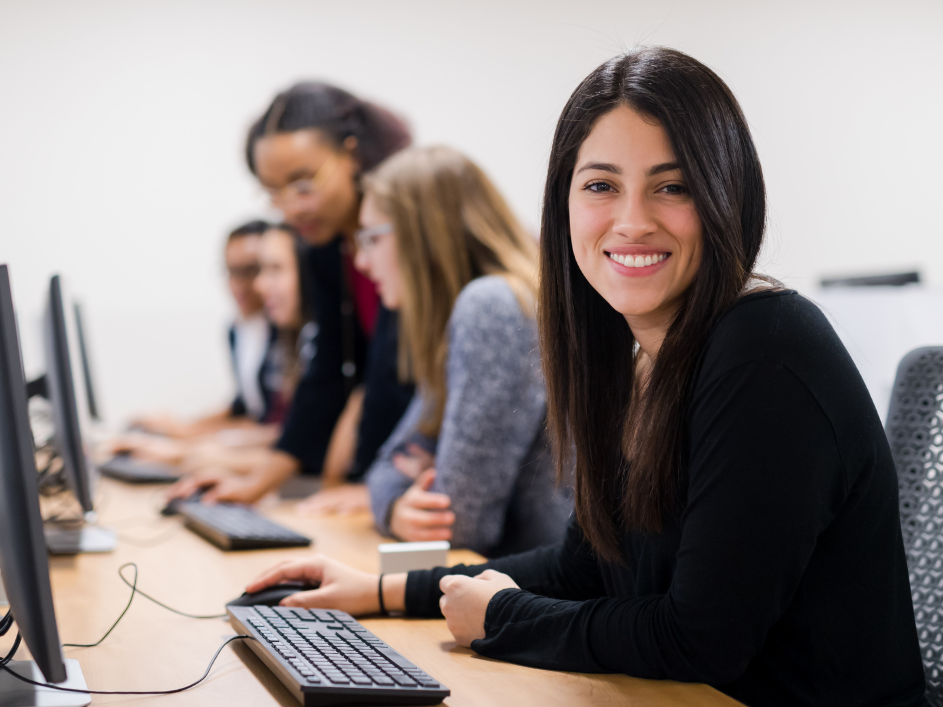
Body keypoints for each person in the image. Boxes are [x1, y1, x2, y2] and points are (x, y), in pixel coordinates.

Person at [245, 48, 927, 706]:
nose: (631, 220)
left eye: (673, 185)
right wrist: (383, 588)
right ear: (563, 204)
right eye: (600, 185)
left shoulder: (764, 349)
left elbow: (702, 639)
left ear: (727, 196)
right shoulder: (635, 357)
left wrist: (506, 616)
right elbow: (581, 566)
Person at [171, 83, 414, 504]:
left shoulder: (406, 240)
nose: (290, 208)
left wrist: (370, 490)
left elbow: (411, 387)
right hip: (382, 484)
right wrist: (258, 484)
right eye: (272, 191)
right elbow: (326, 373)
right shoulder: (325, 247)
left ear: (352, 154)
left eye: (303, 184)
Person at [348, 145, 570, 555]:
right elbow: (385, 467)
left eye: (371, 238)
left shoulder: (494, 307)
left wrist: (419, 483)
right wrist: (397, 506)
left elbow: (461, 524)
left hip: (553, 600)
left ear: (425, 236)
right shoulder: (479, 310)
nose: (361, 262)